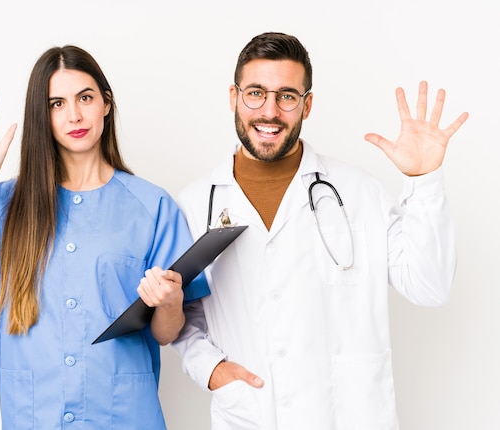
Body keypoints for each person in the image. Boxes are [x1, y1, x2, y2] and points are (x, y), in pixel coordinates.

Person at [171, 32, 469, 429]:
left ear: (307, 105)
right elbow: (182, 313)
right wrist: (212, 371)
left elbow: (429, 286)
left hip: (347, 415)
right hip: (249, 414)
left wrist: (425, 178)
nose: (270, 111)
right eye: (256, 93)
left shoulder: (358, 192)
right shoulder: (195, 203)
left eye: (287, 96)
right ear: (234, 97)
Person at [0, 45, 209, 429]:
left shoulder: (152, 206)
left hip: (124, 417)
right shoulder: (5, 205)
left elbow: (166, 334)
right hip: (35, 417)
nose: (75, 115)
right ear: (42, 115)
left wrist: (169, 303)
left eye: (85, 98)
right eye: (56, 104)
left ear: (106, 104)